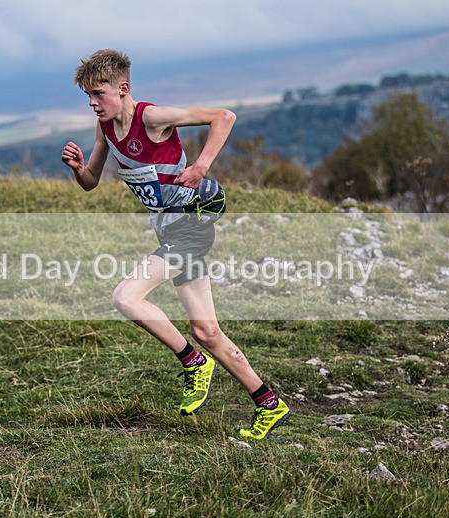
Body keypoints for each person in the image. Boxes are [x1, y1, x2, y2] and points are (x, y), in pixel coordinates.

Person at [60, 49, 290, 440]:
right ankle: (269, 403)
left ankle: (193, 363)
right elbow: (91, 181)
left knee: (126, 298)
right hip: (169, 230)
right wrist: (79, 168)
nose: (92, 103)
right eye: (88, 96)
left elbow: (224, 117)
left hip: (191, 226)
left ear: (123, 89)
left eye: (98, 94)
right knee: (206, 330)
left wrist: (200, 166)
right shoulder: (105, 129)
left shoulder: (151, 118)